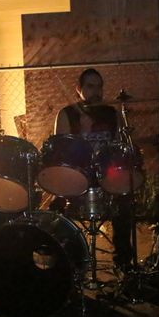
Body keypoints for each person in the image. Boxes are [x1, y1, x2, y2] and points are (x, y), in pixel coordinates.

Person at [53, 68, 134, 273]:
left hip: (105, 176)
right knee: (56, 206)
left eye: (99, 87)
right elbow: (60, 153)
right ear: (78, 89)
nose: (96, 91)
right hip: (77, 176)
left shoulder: (111, 114)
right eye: (90, 86)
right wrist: (84, 131)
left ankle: (124, 261)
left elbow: (119, 148)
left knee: (125, 199)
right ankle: (69, 263)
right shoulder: (67, 114)